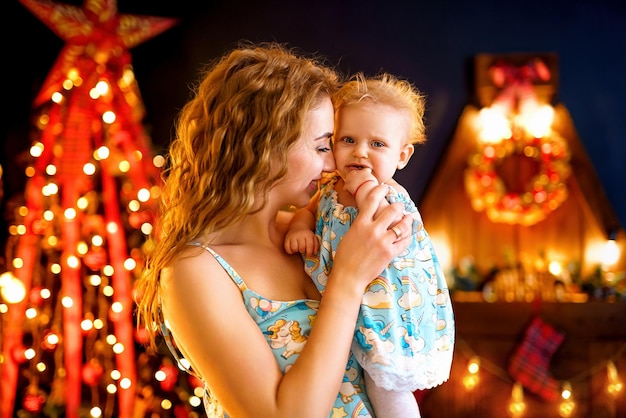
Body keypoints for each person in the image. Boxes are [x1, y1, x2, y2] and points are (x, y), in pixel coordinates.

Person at [134, 42, 415, 418]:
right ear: (264, 146)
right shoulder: (195, 270)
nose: (335, 162)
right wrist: (348, 279)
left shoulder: (324, 228)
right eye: (320, 147)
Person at [284, 73, 455, 417]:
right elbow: (307, 211)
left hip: (384, 308)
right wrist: (300, 228)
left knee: (385, 385)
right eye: (348, 139)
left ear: (402, 155)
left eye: (377, 144)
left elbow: (382, 227)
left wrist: (365, 189)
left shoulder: (391, 196)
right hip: (342, 305)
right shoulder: (331, 188)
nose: (360, 152)